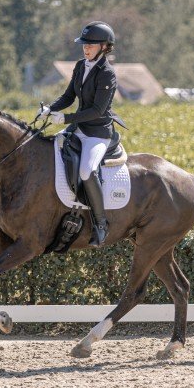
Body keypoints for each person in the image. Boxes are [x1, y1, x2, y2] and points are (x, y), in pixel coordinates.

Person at [39, 21, 123, 247]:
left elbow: (96, 110)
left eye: (91, 45)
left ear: (104, 47)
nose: (86, 48)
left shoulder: (107, 74)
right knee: (50, 149)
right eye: (84, 44)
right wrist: (51, 109)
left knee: (87, 171)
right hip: (79, 129)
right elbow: (68, 97)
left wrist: (65, 119)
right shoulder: (79, 66)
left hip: (98, 133)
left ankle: (101, 223)